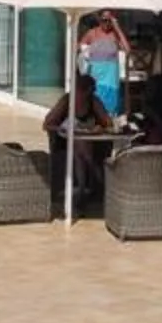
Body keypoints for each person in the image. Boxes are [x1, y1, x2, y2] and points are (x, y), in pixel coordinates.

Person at [43, 69, 113, 207]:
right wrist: (62, 128)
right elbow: (47, 124)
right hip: (65, 140)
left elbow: (108, 123)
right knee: (80, 146)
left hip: (89, 141)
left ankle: (83, 189)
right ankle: (96, 180)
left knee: (81, 146)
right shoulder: (66, 101)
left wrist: (98, 127)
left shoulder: (93, 102)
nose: (81, 96)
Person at [79, 11, 127, 119]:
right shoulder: (92, 33)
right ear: (99, 20)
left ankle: (110, 121)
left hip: (111, 76)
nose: (106, 23)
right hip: (96, 75)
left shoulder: (115, 34)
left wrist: (117, 28)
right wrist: (86, 53)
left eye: (109, 21)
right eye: (104, 20)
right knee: (96, 103)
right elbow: (80, 48)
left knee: (111, 107)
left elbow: (127, 49)